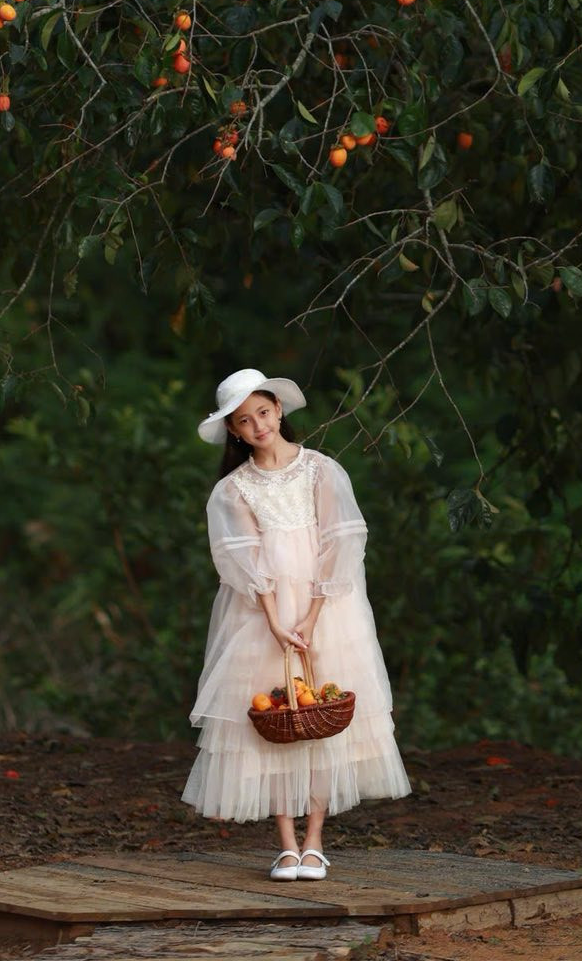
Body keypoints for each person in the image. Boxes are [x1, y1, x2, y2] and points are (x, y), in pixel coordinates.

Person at [180, 367, 412, 881]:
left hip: (325, 605)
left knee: (323, 715)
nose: (258, 425)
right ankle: (286, 843)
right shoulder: (233, 490)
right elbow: (239, 559)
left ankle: (315, 841)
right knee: (272, 718)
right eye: (245, 421)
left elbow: (343, 540)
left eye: (263, 412)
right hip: (261, 613)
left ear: (278, 410)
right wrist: (276, 623)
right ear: (235, 432)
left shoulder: (321, 470)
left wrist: (310, 613)